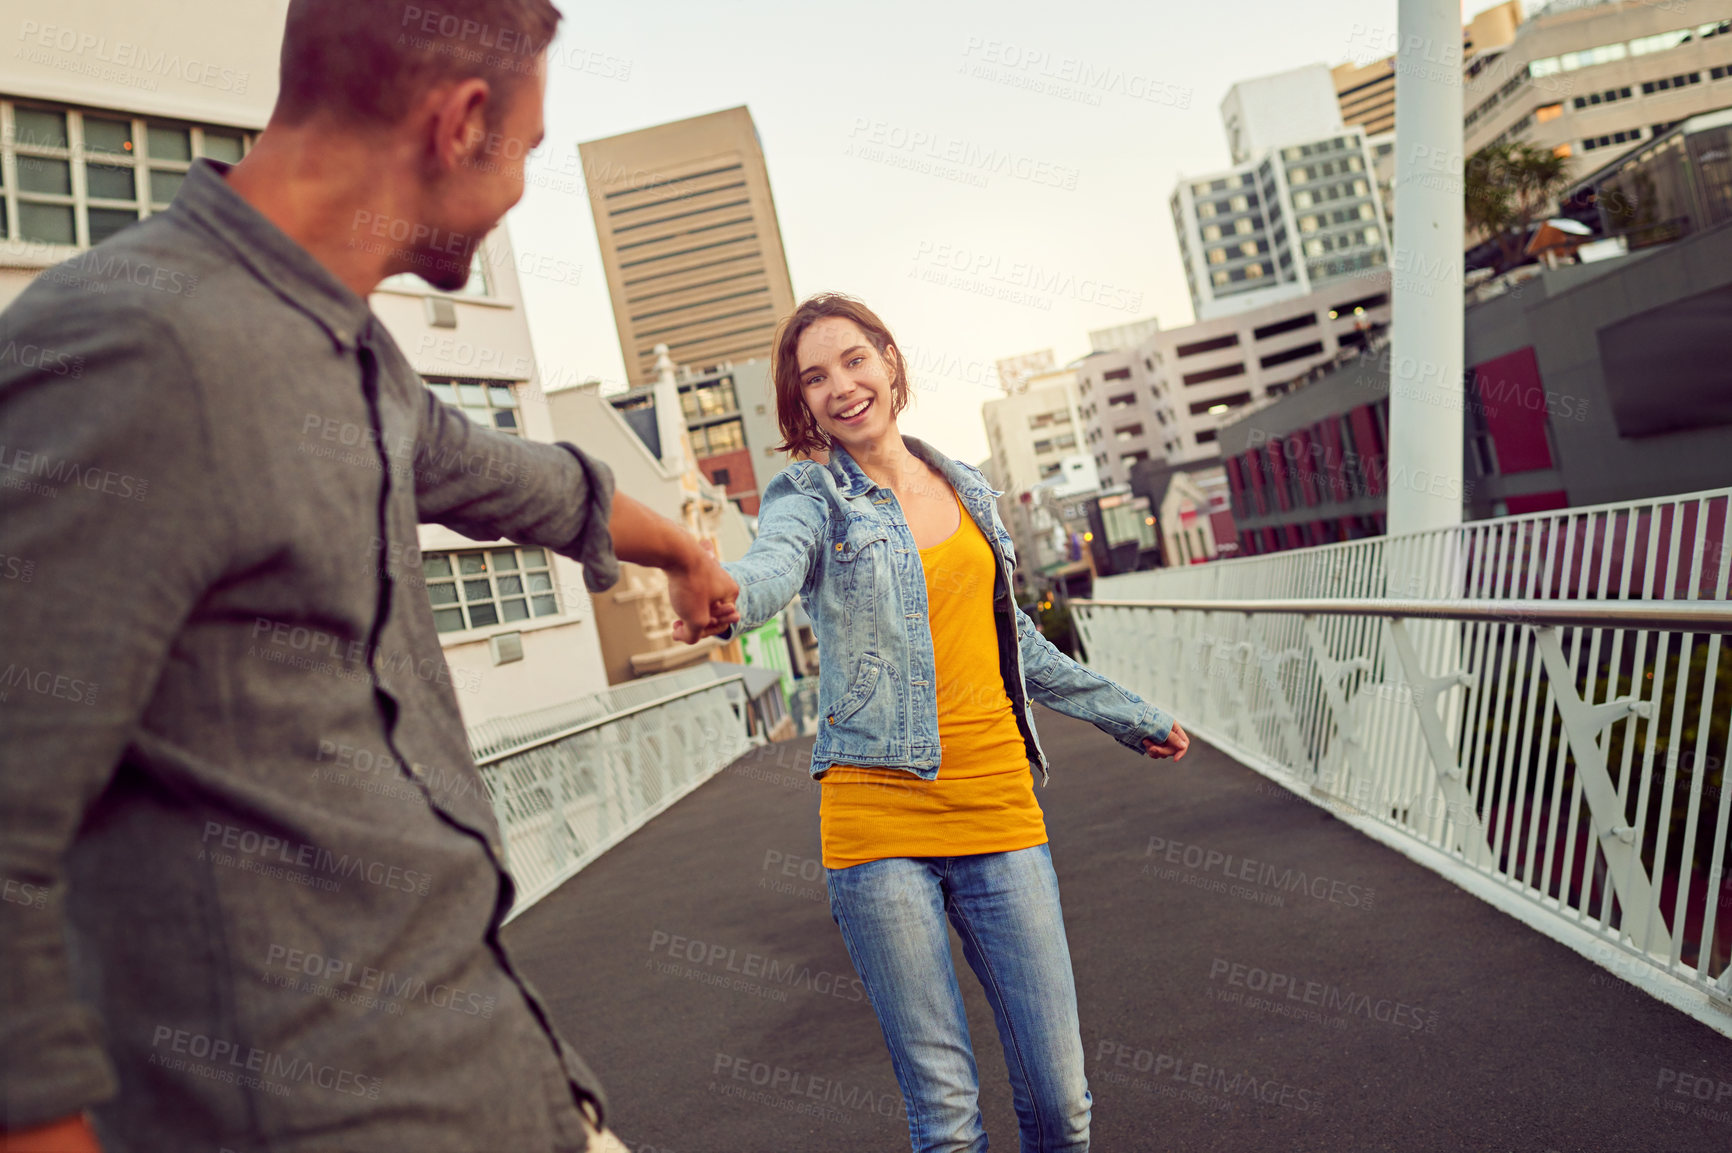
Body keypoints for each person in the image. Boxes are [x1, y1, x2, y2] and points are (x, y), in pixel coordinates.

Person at [0, 2, 737, 1150]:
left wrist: (686, 549)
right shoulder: (139, 346)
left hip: (510, 1081)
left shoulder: (350, 357)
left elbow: (524, 480)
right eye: (530, 153)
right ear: (460, 123)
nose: (521, 193)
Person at [716, 293, 1190, 1153]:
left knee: (1062, 1102)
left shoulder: (968, 486)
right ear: (801, 403)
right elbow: (767, 571)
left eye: (854, 360)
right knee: (946, 1118)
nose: (841, 386)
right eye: (813, 377)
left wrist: (1129, 714)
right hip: (876, 820)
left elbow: (1020, 647)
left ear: (890, 361)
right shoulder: (812, 494)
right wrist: (722, 598)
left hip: (999, 807)